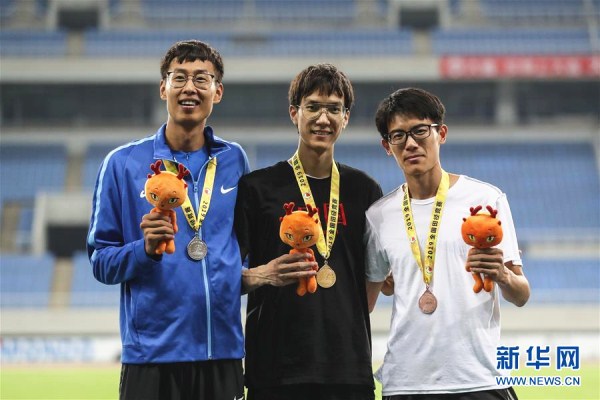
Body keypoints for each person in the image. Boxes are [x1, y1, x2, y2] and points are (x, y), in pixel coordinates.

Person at [86, 40, 249, 400]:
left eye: (201, 79)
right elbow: (101, 262)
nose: (190, 87)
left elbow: (242, 253)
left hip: (221, 354)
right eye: (179, 78)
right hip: (151, 358)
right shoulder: (122, 164)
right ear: (164, 87)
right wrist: (144, 249)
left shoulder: (234, 160)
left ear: (217, 92)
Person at [365, 87, 531, 400]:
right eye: (398, 135)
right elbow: (367, 302)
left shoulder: (486, 199)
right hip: (406, 384)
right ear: (387, 146)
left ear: (441, 133)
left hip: (479, 380)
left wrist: (504, 276)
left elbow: (521, 294)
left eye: (420, 131)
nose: (411, 143)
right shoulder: (379, 216)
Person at [235, 63, 383, 399]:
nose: (323, 118)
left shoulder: (365, 190)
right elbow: (222, 276)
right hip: (274, 371)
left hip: (348, 371)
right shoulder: (257, 188)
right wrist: (261, 275)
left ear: (345, 118)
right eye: (313, 107)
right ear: (294, 113)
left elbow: (375, 277)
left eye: (334, 109)